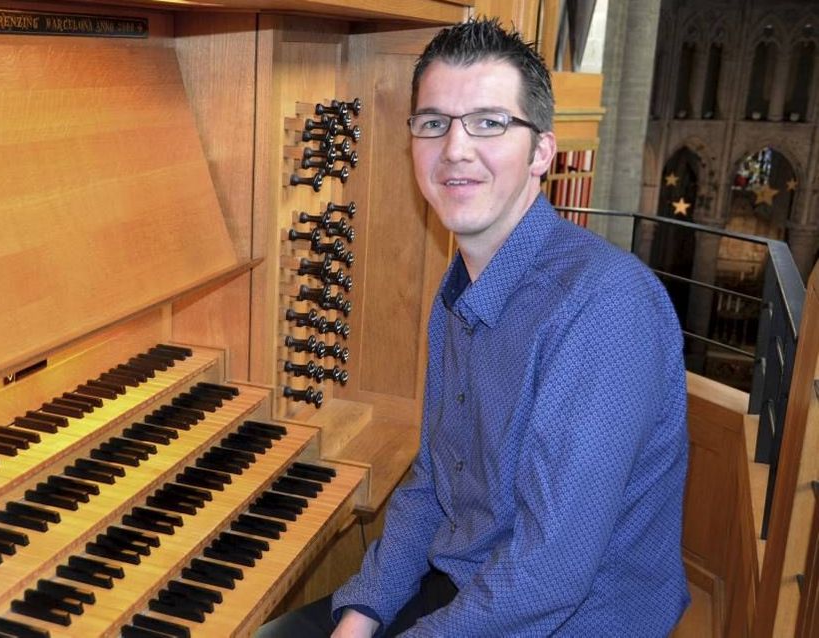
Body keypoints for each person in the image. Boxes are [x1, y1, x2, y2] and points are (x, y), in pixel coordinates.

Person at [257, 17, 690, 637]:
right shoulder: (458, 291)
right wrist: (363, 613)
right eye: (434, 123)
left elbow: (549, 575)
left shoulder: (605, 306)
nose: (455, 149)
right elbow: (434, 484)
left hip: (578, 620)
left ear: (542, 151)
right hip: (475, 586)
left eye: (489, 122)